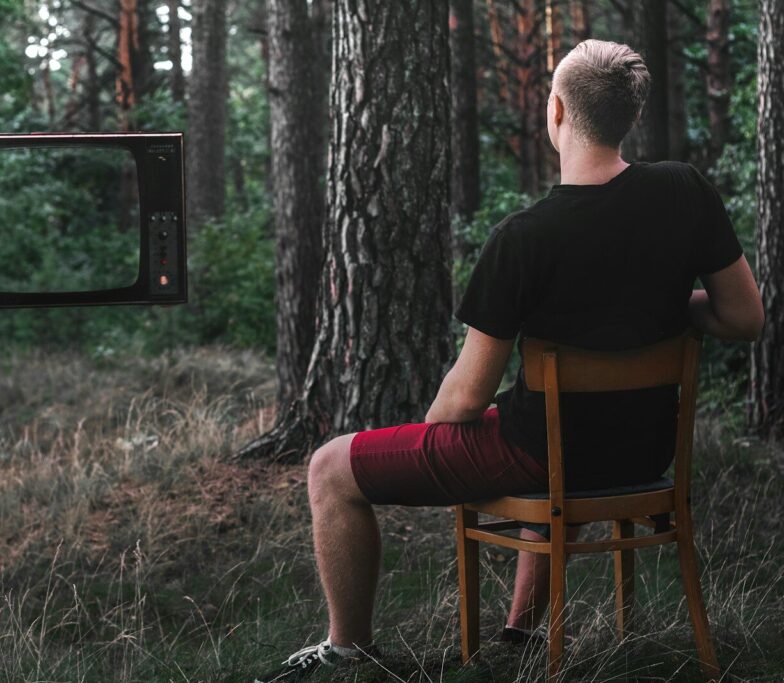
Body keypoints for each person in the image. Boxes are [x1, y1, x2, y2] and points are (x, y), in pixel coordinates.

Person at [252, 38, 764, 683]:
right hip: (644, 452)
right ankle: (520, 636)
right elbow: (744, 319)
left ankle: (347, 649)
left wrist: (434, 424)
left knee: (330, 467)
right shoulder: (684, 190)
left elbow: (464, 402)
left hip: (545, 452)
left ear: (555, 111)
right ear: (629, 115)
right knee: (555, 437)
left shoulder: (523, 238)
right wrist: (669, 308)